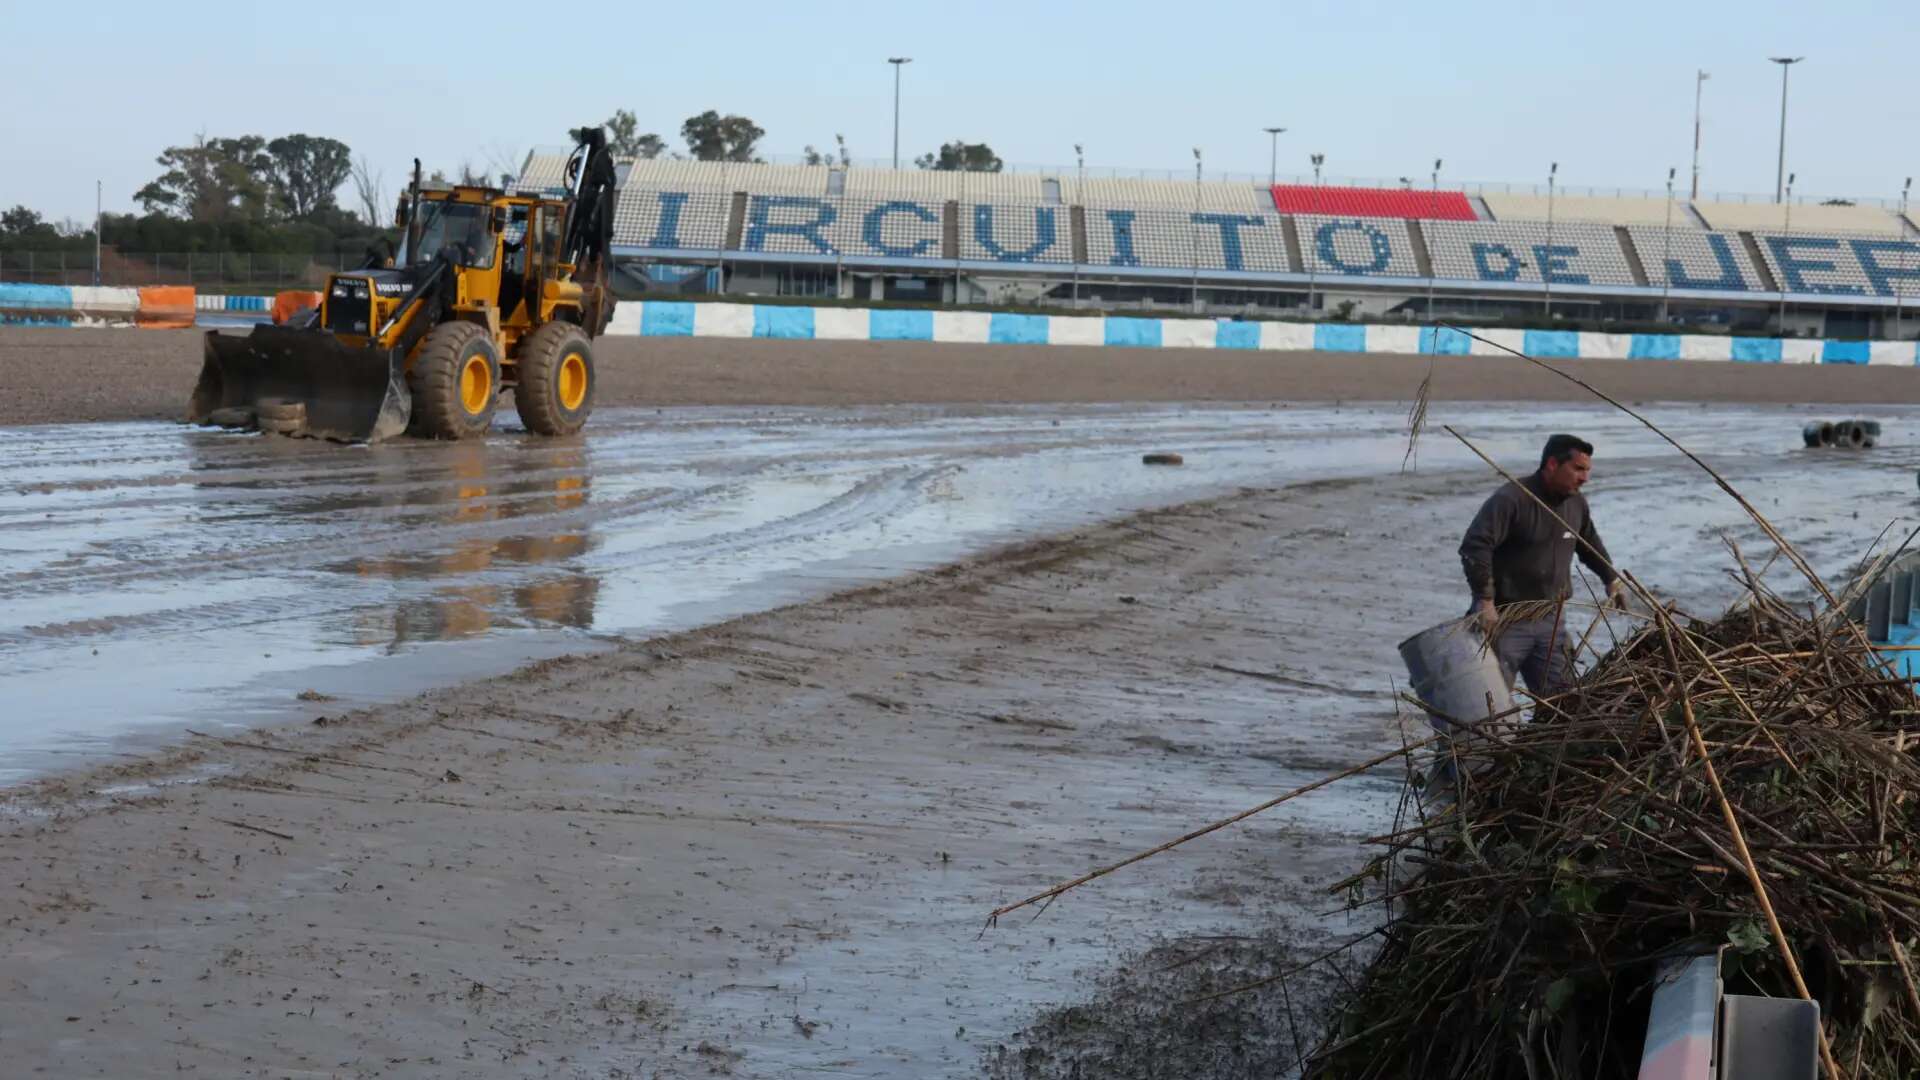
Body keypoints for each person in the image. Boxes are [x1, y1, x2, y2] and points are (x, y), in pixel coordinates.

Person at [1457, 433, 1627, 703]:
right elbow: (1475, 545)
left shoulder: (1576, 503)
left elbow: (1588, 543)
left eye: (1587, 470)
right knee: (1491, 703)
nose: (1584, 478)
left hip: (1551, 620)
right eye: (1578, 469)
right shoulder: (1512, 499)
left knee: (1561, 702)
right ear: (1552, 465)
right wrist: (1484, 600)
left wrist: (1610, 579)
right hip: (1505, 620)